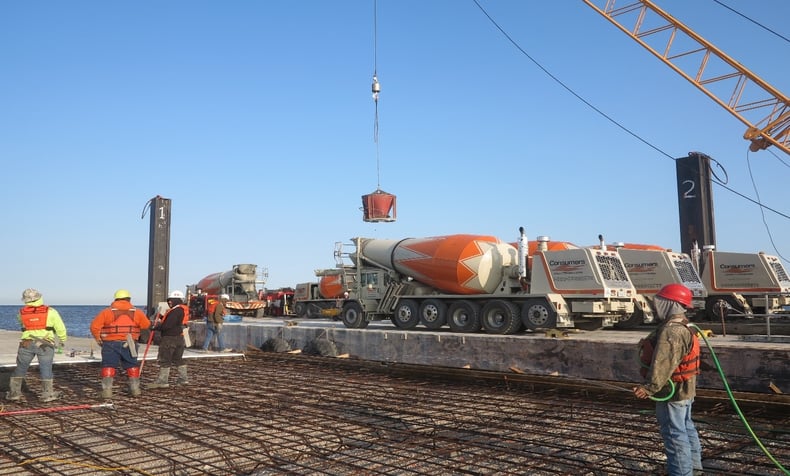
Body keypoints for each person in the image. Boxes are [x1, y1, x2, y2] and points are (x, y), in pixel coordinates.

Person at [633, 283, 703, 476]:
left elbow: (663, 364)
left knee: (674, 434)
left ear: (671, 303)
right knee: (686, 429)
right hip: (686, 389)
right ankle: (695, 471)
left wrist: (649, 388)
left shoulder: (672, 331)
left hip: (672, 391)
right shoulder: (686, 325)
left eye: (660, 301)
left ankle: (681, 473)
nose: (656, 305)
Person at [6, 288, 68, 402]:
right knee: (46, 369)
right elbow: (60, 328)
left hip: (27, 343)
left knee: (20, 368)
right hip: (45, 344)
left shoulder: (21, 313)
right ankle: (47, 394)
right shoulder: (51, 311)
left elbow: (22, 324)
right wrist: (62, 340)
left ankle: (14, 393)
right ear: (39, 297)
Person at [90, 289, 151, 399]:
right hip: (130, 343)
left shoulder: (107, 312)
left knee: (108, 365)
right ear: (129, 299)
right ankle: (135, 389)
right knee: (132, 365)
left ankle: (107, 392)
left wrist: (98, 339)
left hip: (110, 343)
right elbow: (146, 325)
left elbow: (94, 326)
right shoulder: (137, 312)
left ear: (115, 299)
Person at [148, 290, 190, 388]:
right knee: (177, 359)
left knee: (164, 359)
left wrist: (156, 327)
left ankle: (163, 381)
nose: (169, 302)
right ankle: (183, 379)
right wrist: (162, 317)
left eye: (171, 300)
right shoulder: (180, 310)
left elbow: (168, 325)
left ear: (176, 300)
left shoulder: (175, 311)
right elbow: (172, 321)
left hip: (169, 339)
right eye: (169, 300)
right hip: (179, 338)